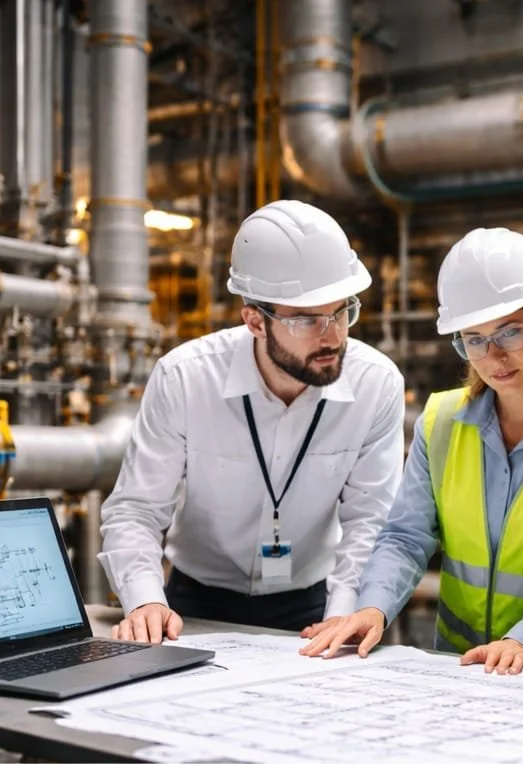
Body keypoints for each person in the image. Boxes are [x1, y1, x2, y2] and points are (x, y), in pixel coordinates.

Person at [300, 227, 523, 674]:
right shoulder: (442, 422)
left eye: (509, 333)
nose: (493, 357)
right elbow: (406, 537)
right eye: (474, 339)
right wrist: (373, 608)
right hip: (459, 669)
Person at [99, 199, 405, 643]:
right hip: (194, 602)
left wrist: (344, 614)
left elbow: (370, 520)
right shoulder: (185, 379)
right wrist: (145, 600)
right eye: (307, 320)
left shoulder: (376, 384)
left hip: (312, 604)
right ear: (255, 322)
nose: (333, 336)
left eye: (342, 311)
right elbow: (136, 509)